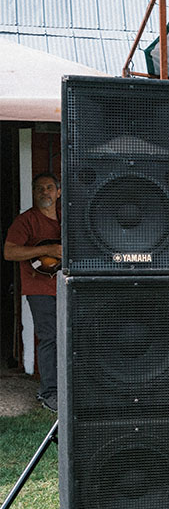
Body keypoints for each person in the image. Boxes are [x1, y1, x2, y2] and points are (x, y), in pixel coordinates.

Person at [4, 173, 63, 411]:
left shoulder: (68, 219)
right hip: (39, 288)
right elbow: (9, 252)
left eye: (49, 188)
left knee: (75, 337)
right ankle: (49, 393)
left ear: (59, 192)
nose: (44, 192)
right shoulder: (25, 221)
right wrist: (47, 249)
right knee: (50, 337)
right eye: (39, 188)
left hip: (68, 286)